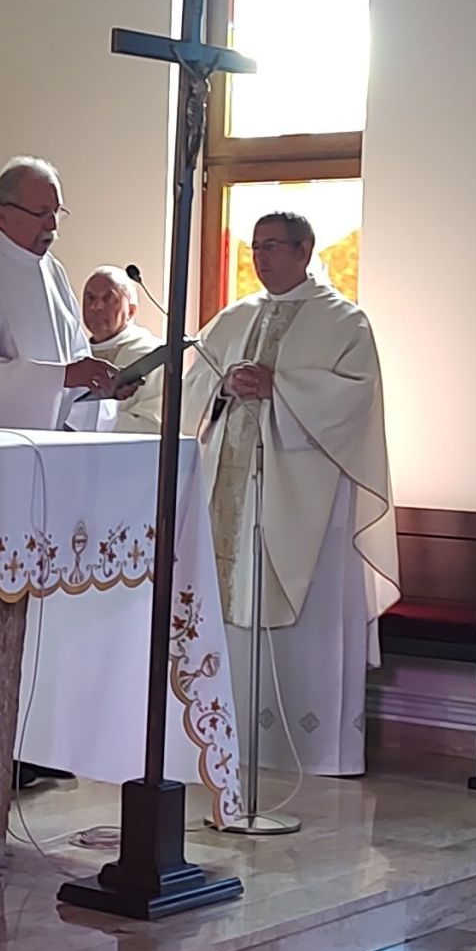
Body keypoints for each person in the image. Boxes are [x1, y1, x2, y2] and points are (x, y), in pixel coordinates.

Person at [181, 210, 398, 777]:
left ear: (305, 250)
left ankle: (314, 751)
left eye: (273, 246)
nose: (261, 258)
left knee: (305, 616)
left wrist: (280, 388)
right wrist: (223, 385)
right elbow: (192, 386)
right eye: (255, 247)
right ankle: (225, 740)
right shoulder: (233, 319)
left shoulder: (344, 323)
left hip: (306, 502)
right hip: (232, 492)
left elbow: (355, 401)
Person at [0, 158, 123, 427]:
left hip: (53, 443)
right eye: (41, 213)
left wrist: (102, 386)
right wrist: (63, 377)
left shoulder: (53, 270)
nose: (52, 225)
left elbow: (75, 357)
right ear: (2, 214)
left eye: (56, 212)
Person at [81, 265, 165, 433]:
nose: (96, 306)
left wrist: (89, 420)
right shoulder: (73, 354)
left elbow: (154, 425)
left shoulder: (152, 357)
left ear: (131, 311)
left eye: (108, 298)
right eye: (90, 298)